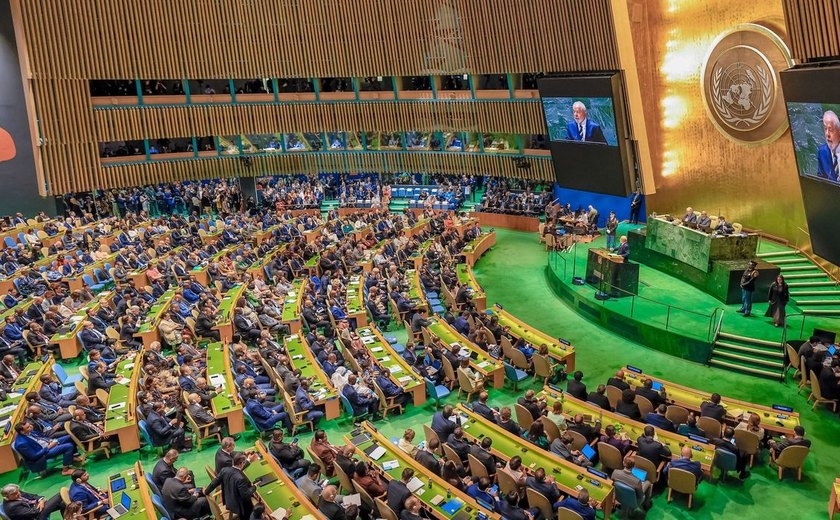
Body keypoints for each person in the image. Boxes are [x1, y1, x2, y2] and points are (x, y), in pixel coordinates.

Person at [205, 453, 257, 520]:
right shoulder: (241, 478)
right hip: (239, 507)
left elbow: (214, 483)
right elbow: (245, 495)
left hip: (228, 501)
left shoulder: (224, 470)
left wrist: (206, 491)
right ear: (241, 463)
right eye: (244, 463)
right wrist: (254, 487)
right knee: (254, 505)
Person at [1, 483, 65, 520]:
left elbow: (33, 496)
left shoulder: (16, 493)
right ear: (7, 496)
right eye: (15, 493)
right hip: (36, 516)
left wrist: (41, 499)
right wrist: (41, 502)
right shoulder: (12, 507)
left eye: (18, 491)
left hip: (36, 508)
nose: (18, 494)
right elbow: (34, 512)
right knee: (60, 495)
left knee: (63, 503)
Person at [817, 110, 840, 181]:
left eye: (830, 130)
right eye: (825, 129)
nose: (827, 134)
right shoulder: (822, 152)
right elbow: (820, 179)